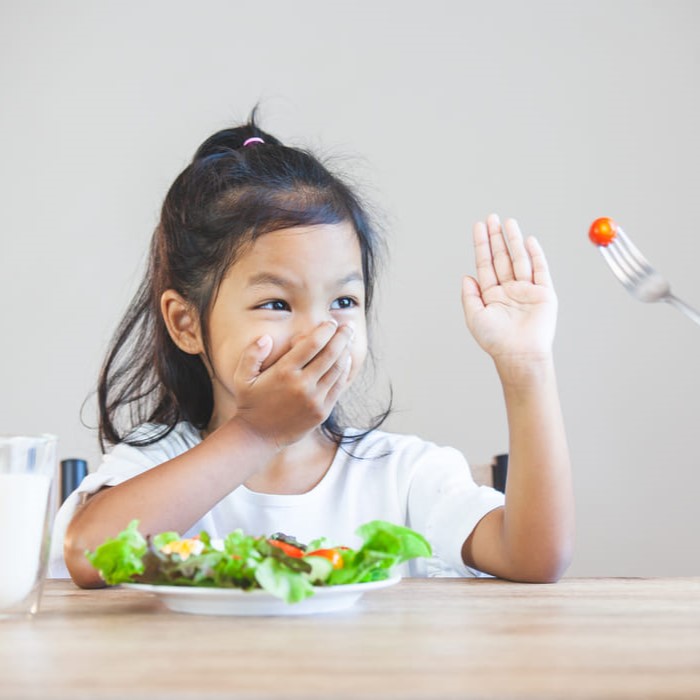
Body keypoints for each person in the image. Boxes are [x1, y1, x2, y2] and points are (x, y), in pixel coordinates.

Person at [50, 112, 574, 586]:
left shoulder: (402, 473)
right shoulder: (156, 461)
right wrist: (257, 431)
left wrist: (526, 367)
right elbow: (88, 554)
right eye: (276, 303)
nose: (317, 332)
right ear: (186, 324)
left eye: (343, 301)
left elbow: (534, 558)